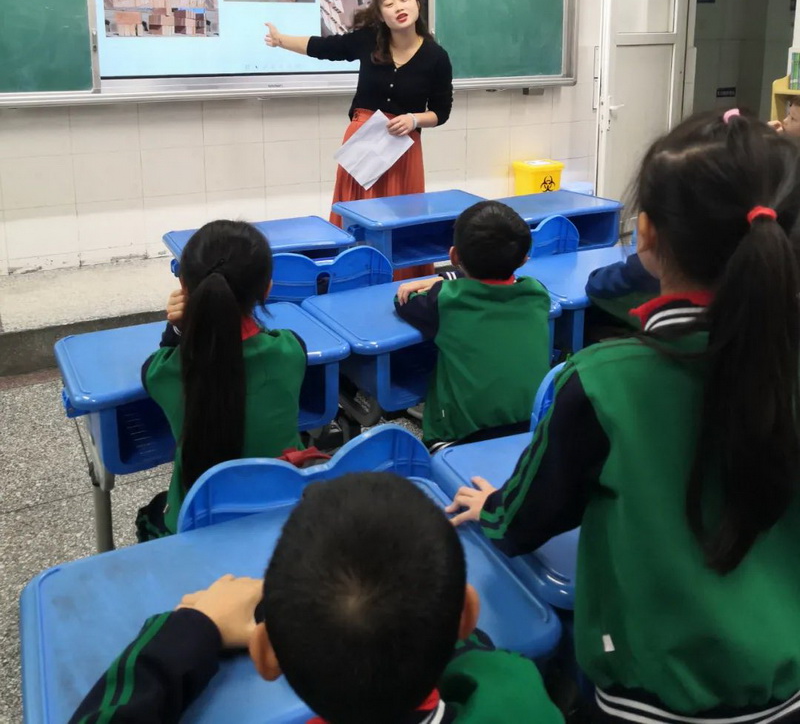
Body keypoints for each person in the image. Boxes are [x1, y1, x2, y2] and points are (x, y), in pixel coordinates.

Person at [448, 109, 800, 724]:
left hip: (649, 698)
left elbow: (528, 518)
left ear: (646, 236)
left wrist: (492, 508)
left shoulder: (602, 382)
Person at [69, 473, 564, 724]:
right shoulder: (520, 697)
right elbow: (488, 666)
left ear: (267, 654)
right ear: (467, 615)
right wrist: (424, 614)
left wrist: (190, 630)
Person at [265, 0, 452, 279]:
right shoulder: (370, 40)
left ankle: (401, 281)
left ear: (417, 3)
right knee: (356, 214)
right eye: (388, 3)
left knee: (400, 216)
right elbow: (325, 47)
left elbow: (441, 112)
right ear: (381, 14)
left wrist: (415, 119)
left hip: (403, 148)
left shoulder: (436, 57)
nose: (398, 7)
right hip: (363, 142)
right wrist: (281, 40)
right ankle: (352, 278)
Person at [136, 219, 306, 540]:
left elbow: (158, 363)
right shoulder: (290, 350)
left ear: (184, 287)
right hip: (284, 511)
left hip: (198, 525)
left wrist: (178, 326)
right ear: (267, 288)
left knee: (153, 511)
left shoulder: (165, 371)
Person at [394, 200, 552, 449]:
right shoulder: (537, 293)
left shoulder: (447, 300)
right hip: (533, 430)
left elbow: (403, 301)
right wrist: (448, 278)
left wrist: (442, 280)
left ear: (453, 256)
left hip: (458, 440)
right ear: (524, 260)